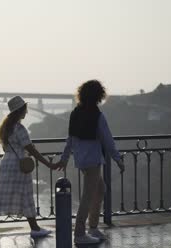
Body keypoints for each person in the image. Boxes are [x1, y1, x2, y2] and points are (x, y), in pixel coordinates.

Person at [56, 80, 125, 245]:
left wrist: (65, 158)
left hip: (81, 159)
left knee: (100, 189)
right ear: (98, 95)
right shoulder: (97, 115)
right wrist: (118, 159)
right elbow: (107, 140)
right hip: (93, 160)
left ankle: (92, 227)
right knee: (88, 196)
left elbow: (70, 139)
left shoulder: (76, 113)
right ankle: (80, 233)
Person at [0, 96, 58, 239]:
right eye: (25, 109)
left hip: (7, 163)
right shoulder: (19, 128)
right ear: (20, 110)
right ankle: (33, 228)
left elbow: (6, 147)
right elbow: (31, 149)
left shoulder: (6, 127)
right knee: (26, 195)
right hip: (18, 165)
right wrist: (48, 164)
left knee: (2, 194)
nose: (26, 112)